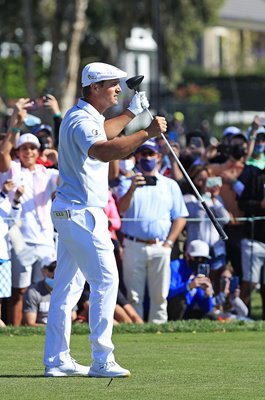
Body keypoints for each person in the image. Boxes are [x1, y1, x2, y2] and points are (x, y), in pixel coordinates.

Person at [43, 62, 167, 378]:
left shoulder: (83, 116)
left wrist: (130, 113)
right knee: (106, 280)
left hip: (72, 210)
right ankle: (101, 359)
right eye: (113, 84)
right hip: (82, 213)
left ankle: (57, 361)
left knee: (66, 290)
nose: (117, 89)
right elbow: (103, 151)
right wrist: (145, 132)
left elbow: (105, 131)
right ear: (95, 87)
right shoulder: (83, 120)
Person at [0, 101, 59, 326]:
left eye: (33, 148)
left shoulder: (47, 172)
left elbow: (68, 177)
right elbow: (4, 153)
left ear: (38, 151)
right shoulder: (14, 169)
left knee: (43, 288)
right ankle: (16, 330)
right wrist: (15, 123)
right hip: (21, 240)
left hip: (44, 240)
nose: (29, 152)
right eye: (24, 149)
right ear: (19, 151)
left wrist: (60, 159)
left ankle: (36, 331)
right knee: (20, 290)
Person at [116, 139, 188, 324]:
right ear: (137, 157)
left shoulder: (170, 185)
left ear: (158, 157)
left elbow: (180, 217)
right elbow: (121, 209)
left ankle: (158, 330)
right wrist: (132, 188)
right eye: (143, 154)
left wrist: (169, 243)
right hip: (133, 245)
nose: (147, 158)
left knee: (160, 296)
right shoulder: (127, 182)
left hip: (160, 245)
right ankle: (137, 330)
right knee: (134, 296)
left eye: (151, 154)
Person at [183, 164, 230, 289]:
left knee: (215, 283)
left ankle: (214, 306)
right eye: (200, 179)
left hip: (216, 249)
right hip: (198, 251)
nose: (204, 182)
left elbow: (225, 219)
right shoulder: (188, 199)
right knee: (199, 282)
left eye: (206, 179)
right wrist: (203, 197)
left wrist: (214, 199)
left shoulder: (216, 199)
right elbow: (193, 214)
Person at [167, 240, 214, 320]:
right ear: (187, 256)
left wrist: (207, 295)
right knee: (180, 301)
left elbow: (206, 309)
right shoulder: (175, 266)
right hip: (171, 307)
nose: (200, 261)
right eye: (197, 258)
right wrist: (188, 286)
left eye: (203, 259)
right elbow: (167, 293)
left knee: (210, 316)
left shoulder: (198, 273)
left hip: (188, 310)